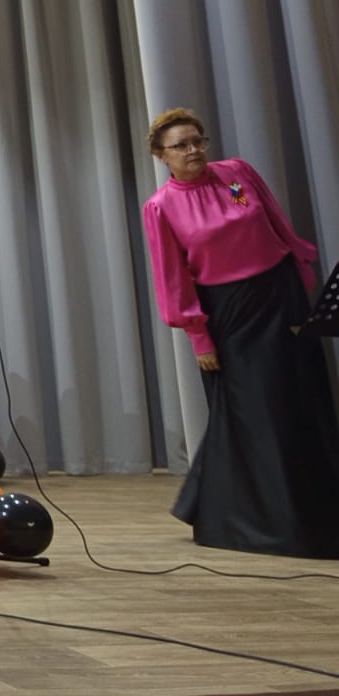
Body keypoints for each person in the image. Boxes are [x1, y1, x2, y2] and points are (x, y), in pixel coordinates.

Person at [142, 108, 339, 558]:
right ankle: (267, 520)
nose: (193, 150)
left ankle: (318, 507)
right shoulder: (161, 207)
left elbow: (274, 223)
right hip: (230, 313)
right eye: (181, 145)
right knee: (258, 413)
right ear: (161, 156)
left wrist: (301, 275)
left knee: (301, 398)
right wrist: (200, 337)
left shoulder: (236, 175)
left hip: (281, 295)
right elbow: (173, 279)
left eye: (198, 140)